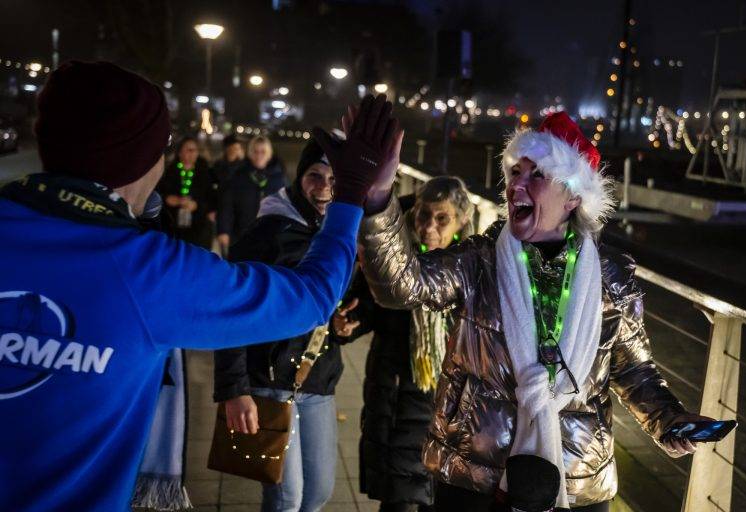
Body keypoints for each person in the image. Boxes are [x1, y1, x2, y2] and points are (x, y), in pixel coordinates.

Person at [0, 60, 400, 512]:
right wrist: (350, 193)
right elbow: (310, 297)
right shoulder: (152, 271)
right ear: (142, 157)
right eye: (164, 146)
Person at [354, 111, 709, 511]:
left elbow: (634, 371)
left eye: (536, 175)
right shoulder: (478, 261)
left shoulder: (612, 279)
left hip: (577, 479)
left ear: (573, 197)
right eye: (514, 172)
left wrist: (670, 422)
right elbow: (402, 285)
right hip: (475, 472)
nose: (515, 185)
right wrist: (379, 200)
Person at [215, 137, 352, 512]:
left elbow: (348, 299)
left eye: (334, 179)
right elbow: (233, 309)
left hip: (318, 377)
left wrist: (342, 323)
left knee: (320, 492)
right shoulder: (268, 231)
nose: (324, 188)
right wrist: (234, 388)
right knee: (285, 497)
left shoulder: (342, 233)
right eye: (314, 175)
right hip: (270, 380)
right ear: (298, 178)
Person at [331, 176, 474, 512]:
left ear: (462, 220)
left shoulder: (471, 268)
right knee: (400, 502)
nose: (429, 227)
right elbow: (364, 307)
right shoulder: (393, 260)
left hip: (449, 415)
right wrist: (347, 324)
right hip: (397, 404)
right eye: (424, 215)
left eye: (442, 219)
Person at [217, 135, 287, 250]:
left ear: (269, 154)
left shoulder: (278, 179)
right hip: (241, 235)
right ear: (250, 153)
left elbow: (285, 208)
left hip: (270, 238)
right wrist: (224, 231)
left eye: (263, 152)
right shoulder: (239, 176)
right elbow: (227, 206)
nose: (259, 155)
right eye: (255, 151)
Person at [157, 136, 215, 247]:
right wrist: (169, 200)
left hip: (198, 228)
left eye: (195, 150)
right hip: (173, 227)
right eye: (189, 150)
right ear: (180, 152)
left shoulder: (204, 172)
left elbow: (210, 198)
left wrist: (196, 205)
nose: (193, 153)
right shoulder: (169, 172)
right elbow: (160, 194)